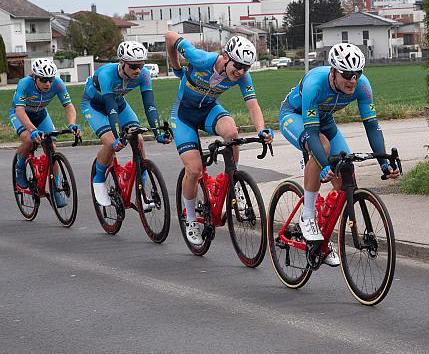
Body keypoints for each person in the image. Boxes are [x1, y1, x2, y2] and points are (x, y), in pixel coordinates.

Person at [279, 43, 400, 266]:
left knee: (346, 174)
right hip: (295, 117)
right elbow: (313, 133)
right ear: (333, 71)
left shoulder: (362, 86)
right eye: (347, 74)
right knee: (322, 149)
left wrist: (384, 163)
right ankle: (307, 216)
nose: (353, 80)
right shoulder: (315, 83)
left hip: (325, 121)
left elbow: (372, 126)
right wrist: (324, 164)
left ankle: (324, 240)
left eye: (357, 74)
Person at [165, 31, 273, 247]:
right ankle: (191, 219)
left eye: (246, 68)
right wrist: (176, 67)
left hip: (208, 110)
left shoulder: (243, 76)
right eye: (238, 66)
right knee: (194, 171)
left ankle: (234, 182)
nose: (241, 71)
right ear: (225, 57)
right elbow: (170, 37)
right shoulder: (200, 58)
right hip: (184, 115)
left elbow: (253, 106)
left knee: (232, 134)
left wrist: (262, 130)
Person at [82, 41, 170, 207]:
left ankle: (141, 192)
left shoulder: (143, 75)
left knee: (139, 140)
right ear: (121, 63)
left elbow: (150, 105)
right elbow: (111, 109)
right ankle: (99, 179)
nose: (138, 70)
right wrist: (117, 137)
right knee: (110, 143)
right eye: (133, 66)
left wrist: (158, 133)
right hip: (95, 106)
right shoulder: (107, 74)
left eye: (141, 65)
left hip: (119, 104)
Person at [10, 58, 82, 207]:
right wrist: (32, 130)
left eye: (50, 79)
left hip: (41, 114)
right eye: (43, 80)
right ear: (34, 77)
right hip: (20, 114)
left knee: (51, 147)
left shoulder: (58, 84)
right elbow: (20, 110)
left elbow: (68, 105)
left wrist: (72, 124)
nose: (48, 84)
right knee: (29, 140)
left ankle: (55, 188)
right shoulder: (25, 84)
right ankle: (20, 167)